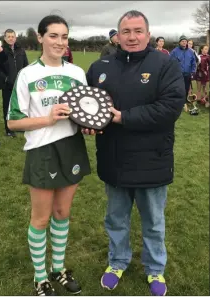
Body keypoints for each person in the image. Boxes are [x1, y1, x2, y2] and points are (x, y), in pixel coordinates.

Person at [85, 10, 185, 296]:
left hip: (151, 159)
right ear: (118, 35)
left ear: (148, 34)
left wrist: (123, 118)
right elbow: (89, 106)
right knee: (116, 219)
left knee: (153, 222)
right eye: (126, 31)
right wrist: (88, 125)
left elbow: (169, 108)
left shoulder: (166, 64)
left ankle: (155, 268)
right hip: (113, 159)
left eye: (138, 31)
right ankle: (117, 261)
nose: (132, 37)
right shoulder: (100, 66)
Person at [7, 15, 91, 296]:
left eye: (64, 36)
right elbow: (12, 122)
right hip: (42, 149)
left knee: (62, 212)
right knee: (41, 218)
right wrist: (47, 119)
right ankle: (40, 277)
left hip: (72, 146)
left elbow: (83, 111)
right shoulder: (28, 74)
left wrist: (89, 124)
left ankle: (58, 268)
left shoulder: (78, 73)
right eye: (53, 35)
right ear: (40, 37)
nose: (59, 42)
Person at [1, 28, 28, 138]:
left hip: (20, 83)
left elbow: (26, 65)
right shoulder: (1, 51)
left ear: (15, 38)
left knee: (21, 105)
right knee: (7, 106)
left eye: (13, 36)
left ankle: (19, 126)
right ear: (5, 38)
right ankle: (8, 129)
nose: (11, 38)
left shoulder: (21, 50)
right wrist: (5, 79)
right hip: (7, 84)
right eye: (9, 37)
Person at [170, 35, 196, 102]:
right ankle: (177, 100)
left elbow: (193, 62)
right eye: (182, 41)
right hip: (178, 74)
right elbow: (170, 62)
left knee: (186, 88)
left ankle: (184, 101)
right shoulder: (174, 51)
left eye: (185, 41)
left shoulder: (190, 52)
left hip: (187, 74)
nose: (184, 42)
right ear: (179, 42)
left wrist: (193, 71)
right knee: (178, 88)